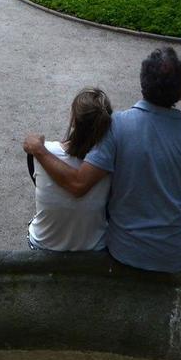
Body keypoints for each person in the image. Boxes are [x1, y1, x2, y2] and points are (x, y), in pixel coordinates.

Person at [24, 46, 181, 273]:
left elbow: (78, 184)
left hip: (127, 251)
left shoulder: (117, 126)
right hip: (178, 253)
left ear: (143, 81)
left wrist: (39, 150)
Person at [28, 87, 113, 252]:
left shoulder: (44, 150)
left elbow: (75, 185)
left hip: (43, 246)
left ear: (74, 119)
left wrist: (38, 149)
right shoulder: (111, 160)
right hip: (94, 249)